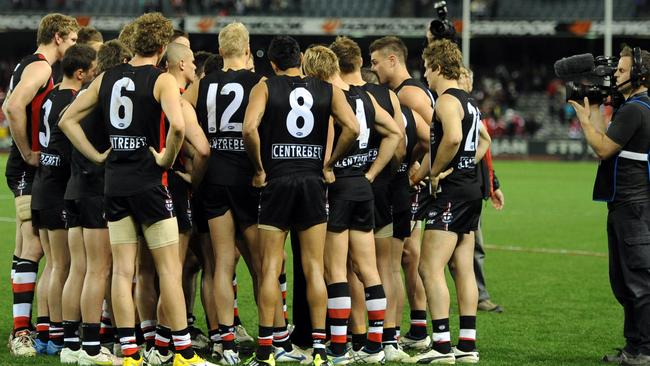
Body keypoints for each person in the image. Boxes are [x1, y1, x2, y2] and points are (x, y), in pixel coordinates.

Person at [59, 12, 214, 366]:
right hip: (150, 184)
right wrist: (165, 159)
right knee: (168, 271)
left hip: (115, 184)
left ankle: (129, 354)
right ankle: (184, 355)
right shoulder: (160, 80)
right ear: (162, 47)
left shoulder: (107, 78)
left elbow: (66, 119)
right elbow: (176, 126)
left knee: (123, 271)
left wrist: (98, 155)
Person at [242, 35, 359, 366]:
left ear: (274, 64)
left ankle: (266, 351)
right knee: (313, 268)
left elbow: (249, 129)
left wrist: (259, 168)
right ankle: (320, 350)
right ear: (300, 59)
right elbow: (352, 127)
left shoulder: (265, 86)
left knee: (269, 268)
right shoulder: (327, 89)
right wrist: (328, 163)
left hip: (277, 181)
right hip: (312, 181)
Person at [303, 44, 402, 364]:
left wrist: (328, 166)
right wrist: (373, 171)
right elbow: (395, 133)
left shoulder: (330, 97)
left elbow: (335, 136)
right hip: (363, 186)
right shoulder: (365, 96)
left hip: (339, 187)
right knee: (368, 269)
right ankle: (374, 346)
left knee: (335, 270)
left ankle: (339, 347)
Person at [406, 39, 490, 364]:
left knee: (429, 266)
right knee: (463, 267)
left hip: (452, 193)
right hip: (470, 189)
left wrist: (436, 171)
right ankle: (467, 345)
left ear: (438, 67)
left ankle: (441, 346)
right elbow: (483, 140)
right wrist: (424, 174)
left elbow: (453, 137)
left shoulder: (445, 102)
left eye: (426, 68)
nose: (424, 75)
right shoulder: (470, 101)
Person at [185, 21, 264, 365]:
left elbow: (179, 108)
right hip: (248, 178)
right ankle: (269, 339)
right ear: (247, 51)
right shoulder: (259, 83)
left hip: (213, 178)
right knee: (263, 266)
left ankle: (224, 343)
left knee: (219, 264)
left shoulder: (203, 83)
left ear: (219, 52)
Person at [3, 13, 79, 358]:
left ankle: (26, 327)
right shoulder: (42, 68)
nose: (75, 46)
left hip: (31, 169)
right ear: (59, 36)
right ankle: (21, 332)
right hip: (28, 169)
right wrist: (27, 152)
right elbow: (12, 106)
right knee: (34, 246)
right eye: (73, 40)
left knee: (27, 246)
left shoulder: (31, 64)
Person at [569, 46, 650, 366]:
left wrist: (584, 117)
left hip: (632, 205)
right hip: (628, 204)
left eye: (620, 71)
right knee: (626, 281)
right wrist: (600, 113)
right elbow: (609, 143)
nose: (614, 75)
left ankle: (643, 349)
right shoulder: (636, 106)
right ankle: (634, 347)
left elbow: (602, 148)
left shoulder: (635, 109)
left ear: (640, 74)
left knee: (637, 283)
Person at [63, 39, 132, 366]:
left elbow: (65, 121)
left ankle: (71, 343)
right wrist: (98, 156)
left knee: (81, 269)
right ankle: (91, 348)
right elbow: (67, 123)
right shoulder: (108, 92)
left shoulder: (87, 91)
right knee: (100, 269)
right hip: (94, 189)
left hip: (75, 187)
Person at [30, 43, 96, 359]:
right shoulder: (74, 100)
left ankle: (45, 331)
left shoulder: (50, 96)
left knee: (53, 266)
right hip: (58, 187)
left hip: (42, 182)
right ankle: (57, 335)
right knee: (63, 266)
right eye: (92, 69)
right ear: (81, 72)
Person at [369, 35, 434, 350]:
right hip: (404, 183)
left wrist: (415, 168)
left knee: (406, 257)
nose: (374, 67)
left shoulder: (407, 94)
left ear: (393, 59)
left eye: (377, 61)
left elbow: (433, 133)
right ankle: (416, 327)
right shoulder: (400, 92)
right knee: (406, 259)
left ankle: (413, 329)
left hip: (406, 185)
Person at [456, 67, 505, 313]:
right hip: (457, 187)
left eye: (466, 76)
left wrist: (493, 184)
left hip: (472, 187)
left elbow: (485, 152)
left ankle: (478, 296)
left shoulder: (472, 109)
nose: (463, 79)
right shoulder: (453, 106)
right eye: (460, 75)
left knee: (474, 246)